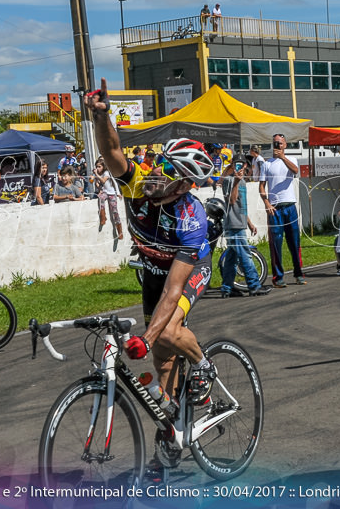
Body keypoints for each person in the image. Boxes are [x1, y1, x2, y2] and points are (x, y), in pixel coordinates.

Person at [86, 78, 217, 482]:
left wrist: (149, 332)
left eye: (169, 174)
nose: (157, 177)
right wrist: (102, 114)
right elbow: (111, 151)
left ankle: (206, 369)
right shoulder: (138, 184)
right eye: (160, 166)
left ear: (185, 185)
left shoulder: (190, 217)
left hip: (188, 272)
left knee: (165, 332)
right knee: (161, 370)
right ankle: (170, 441)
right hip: (152, 272)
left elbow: (175, 291)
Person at [259, 133, 307, 287]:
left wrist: (283, 158)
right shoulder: (267, 164)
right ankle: (278, 277)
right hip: (275, 209)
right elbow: (261, 185)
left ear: (285, 145)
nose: (277, 146)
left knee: (294, 242)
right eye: (275, 143)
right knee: (276, 243)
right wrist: (266, 202)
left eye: (280, 143)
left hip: (290, 206)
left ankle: (298, 273)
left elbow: (295, 171)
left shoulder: (291, 160)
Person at [219, 155, 270, 297]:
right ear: (232, 164)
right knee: (246, 256)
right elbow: (231, 201)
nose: (239, 167)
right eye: (236, 164)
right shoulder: (229, 181)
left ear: (245, 166)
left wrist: (250, 223)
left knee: (231, 258)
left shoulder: (242, 182)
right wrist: (235, 181)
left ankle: (226, 289)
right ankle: (254, 286)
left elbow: (241, 207)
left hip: (239, 223)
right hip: (233, 225)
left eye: (241, 165)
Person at [93, 157, 123, 240]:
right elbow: (99, 185)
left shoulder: (106, 173)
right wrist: (96, 183)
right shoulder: (99, 175)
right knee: (101, 198)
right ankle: (103, 216)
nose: (98, 168)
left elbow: (104, 181)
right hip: (105, 192)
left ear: (103, 167)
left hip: (112, 193)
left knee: (114, 211)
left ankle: (119, 231)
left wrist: (118, 193)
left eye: (99, 167)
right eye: (97, 167)